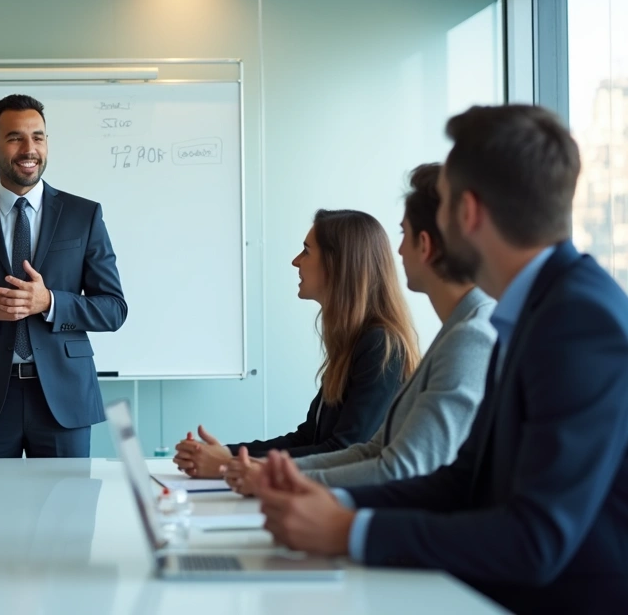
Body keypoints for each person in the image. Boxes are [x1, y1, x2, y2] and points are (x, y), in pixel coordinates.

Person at [254, 105, 628, 613]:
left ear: (468, 214)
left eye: (445, 202)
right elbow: (463, 480)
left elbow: (536, 540)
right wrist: (334, 504)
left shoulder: (579, 320)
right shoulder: (530, 310)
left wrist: (350, 530)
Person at [224, 164, 495, 493]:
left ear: (425, 245)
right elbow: (370, 451)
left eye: (403, 235)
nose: (396, 251)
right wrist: (247, 465)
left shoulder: (467, 338)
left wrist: (259, 473)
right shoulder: (455, 331)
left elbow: (398, 468)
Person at [0, 94, 128, 458]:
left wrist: (51, 303)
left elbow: (113, 309)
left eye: (39, 137)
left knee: (69, 513)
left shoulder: (84, 215)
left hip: (65, 399)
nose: (29, 148)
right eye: (15, 137)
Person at [174, 209, 419, 475]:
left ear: (337, 264)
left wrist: (228, 464)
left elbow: (345, 452)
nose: (295, 261)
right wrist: (227, 453)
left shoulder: (380, 345)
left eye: (306, 251)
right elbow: (307, 440)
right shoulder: (355, 342)